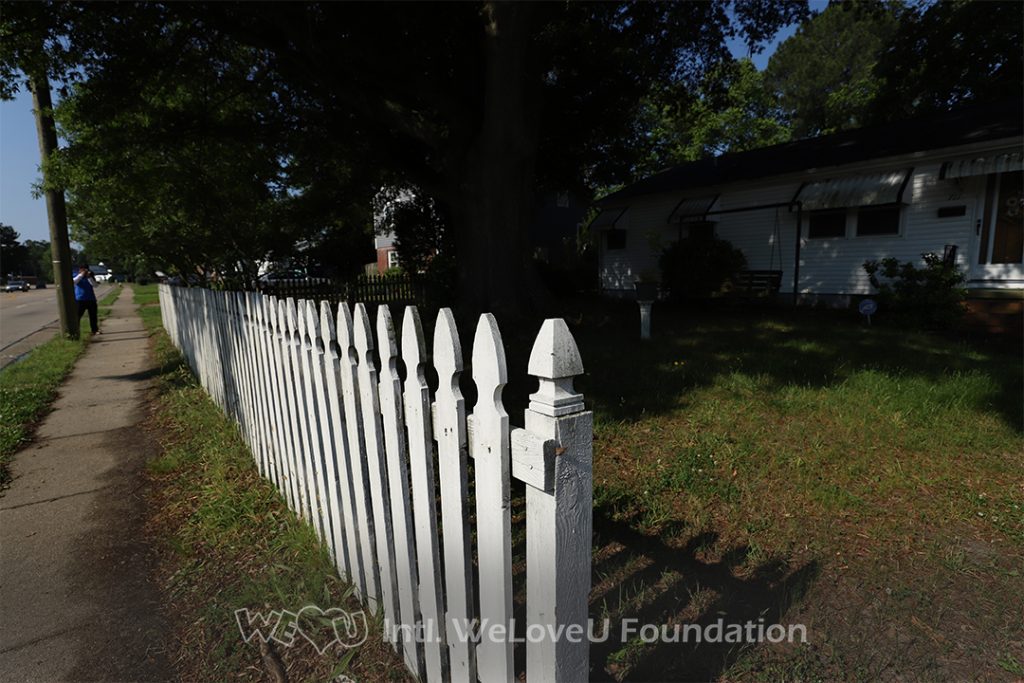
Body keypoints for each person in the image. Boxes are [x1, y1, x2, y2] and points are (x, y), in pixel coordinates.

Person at [74, 265, 100, 334]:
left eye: (86, 269)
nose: (85, 271)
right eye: (82, 269)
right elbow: (74, 282)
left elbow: (95, 285)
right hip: (80, 299)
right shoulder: (76, 275)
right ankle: (76, 330)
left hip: (91, 299)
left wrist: (89, 277)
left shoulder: (90, 276)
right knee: (77, 316)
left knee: (93, 316)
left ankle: (94, 330)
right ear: (79, 270)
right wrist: (81, 275)